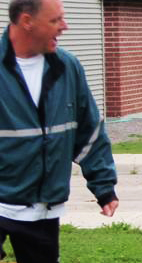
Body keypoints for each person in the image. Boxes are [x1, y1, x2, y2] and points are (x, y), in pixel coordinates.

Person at [0, 0, 119, 261]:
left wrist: (104, 186)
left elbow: (89, 132)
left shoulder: (67, 67)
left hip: (44, 209)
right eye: (55, 20)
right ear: (27, 21)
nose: (64, 26)